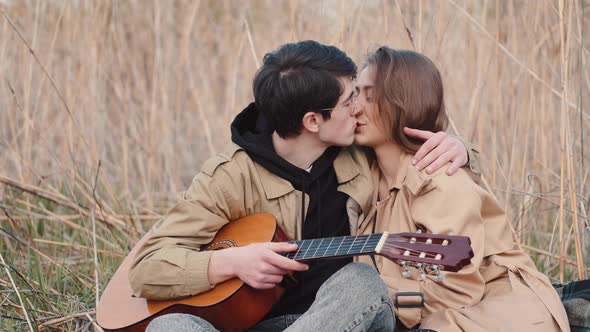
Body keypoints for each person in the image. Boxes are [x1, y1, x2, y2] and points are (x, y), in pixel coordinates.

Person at [128, 41, 475, 332]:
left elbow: (412, 143)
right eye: (349, 100)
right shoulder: (230, 176)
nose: (359, 108)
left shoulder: (358, 152)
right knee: (169, 326)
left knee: (362, 283)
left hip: (342, 318)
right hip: (253, 324)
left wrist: (460, 148)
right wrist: (232, 262)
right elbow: (146, 267)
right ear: (312, 121)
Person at [352, 46, 570, 332]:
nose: (356, 107)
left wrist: (368, 296)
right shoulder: (362, 172)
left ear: (402, 101)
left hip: (503, 314)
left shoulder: (441, 180)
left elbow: (455, 293)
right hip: (436, 314)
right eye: (355, 93)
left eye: (370, 96)